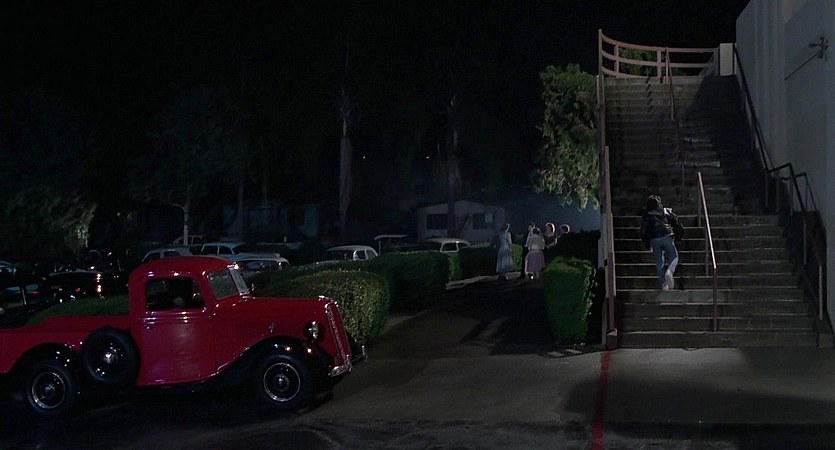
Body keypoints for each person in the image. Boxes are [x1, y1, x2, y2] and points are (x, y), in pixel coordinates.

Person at [640, 195, 684, 291]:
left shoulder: (646, 215)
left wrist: (647, 244)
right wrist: (679, 236)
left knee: (659, 261)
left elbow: (643, 231)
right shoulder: (665, 211)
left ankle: (664, 284)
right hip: (667, 235)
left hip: (654, 238)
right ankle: (670, 271)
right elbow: (676, 222)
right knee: (674, 256)